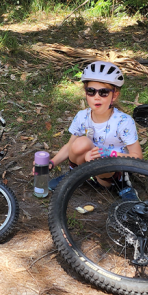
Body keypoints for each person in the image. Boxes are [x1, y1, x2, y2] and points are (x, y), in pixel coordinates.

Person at [48, 61, 142, 200]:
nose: (96, 97)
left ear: (114, 95)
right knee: (80, 142)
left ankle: (122, 186)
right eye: (91, 91)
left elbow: (137, 157)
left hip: (111, 173)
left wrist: (110, 154)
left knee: (102, 158)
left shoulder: (123, 121)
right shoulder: (82, 116)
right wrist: (51, 163)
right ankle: (75, 175)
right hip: (89, 165)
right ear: (85, 93)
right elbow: (70, 146)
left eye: (103, 92)